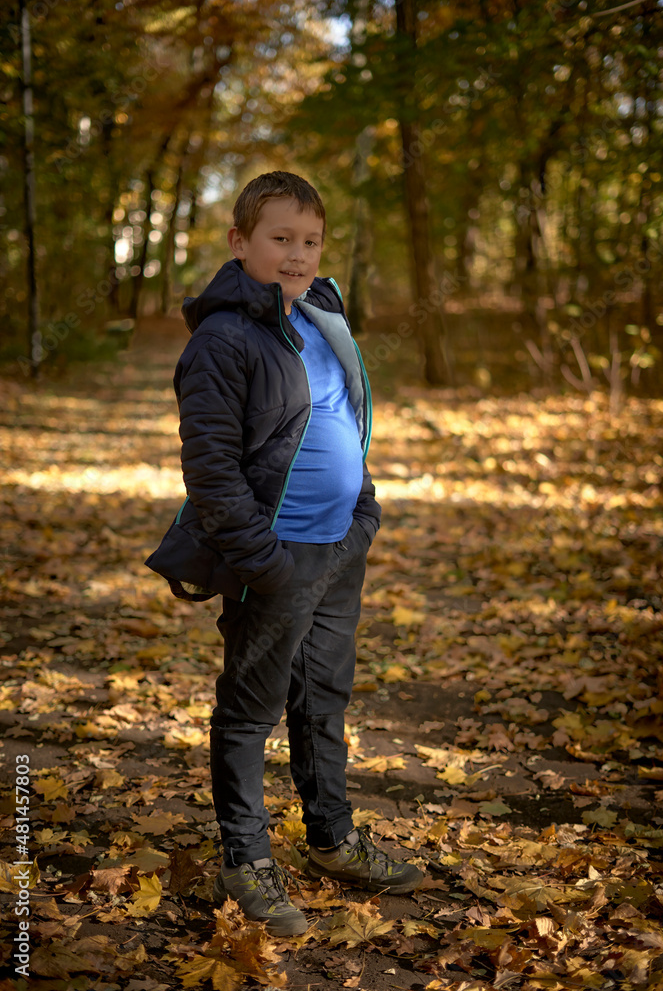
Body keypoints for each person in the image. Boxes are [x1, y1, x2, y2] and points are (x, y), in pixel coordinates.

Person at [151, 171, 423, 936]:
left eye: (309, 241)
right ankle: (246, 858)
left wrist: (361, 513)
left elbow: (346, 415)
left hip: (338, 549)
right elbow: (209, 466)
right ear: (240, 245)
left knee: (323, 700)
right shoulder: (223, 339)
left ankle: (332, 839)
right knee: (248, 711)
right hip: (275, 557)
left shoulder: (321, 316)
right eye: (280, 239)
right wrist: (263, 562)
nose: (297, 255)